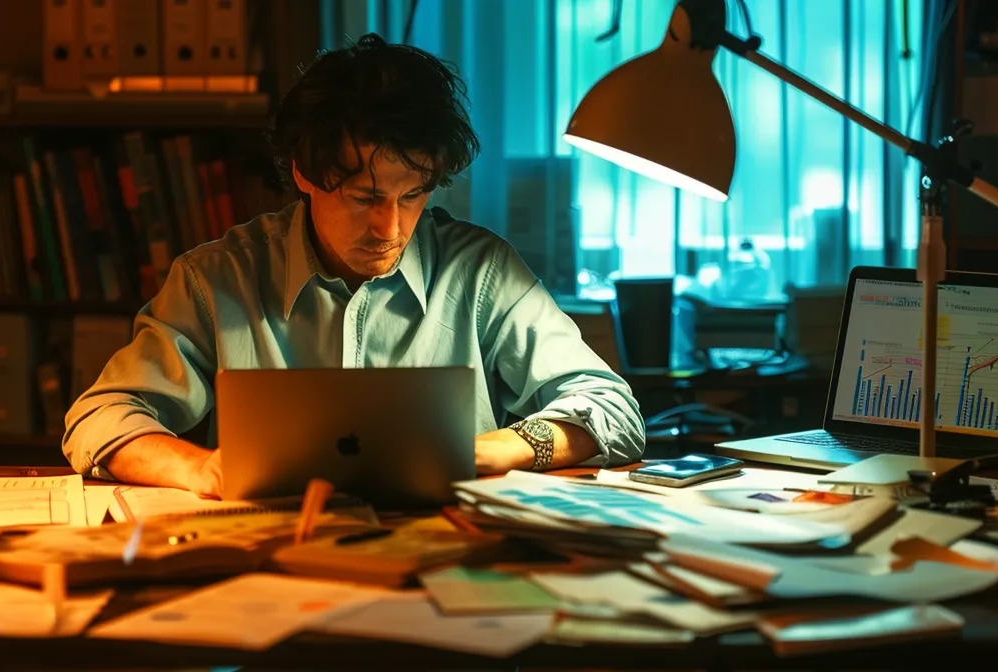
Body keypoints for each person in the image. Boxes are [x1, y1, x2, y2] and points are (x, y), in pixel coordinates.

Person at [62, 34, 645, 496]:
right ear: (304, 174)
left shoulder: (481, 272)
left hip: (449, 576)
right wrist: (204, 470)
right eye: (365, 197)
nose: (390, 229)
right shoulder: (219, 279)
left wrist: (496, 449)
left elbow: (611, 409)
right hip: (275, 582)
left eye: (412, 195)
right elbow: (100, 417)